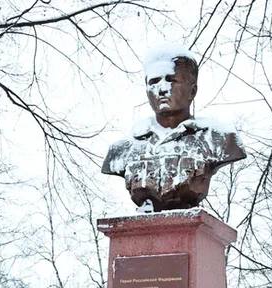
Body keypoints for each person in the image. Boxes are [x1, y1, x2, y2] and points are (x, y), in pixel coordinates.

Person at [101, 46, 245, 212]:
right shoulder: (123, 148)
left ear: (192, 91)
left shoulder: (219, 139)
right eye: (153, 82)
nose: (162, 89)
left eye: (171, 80)